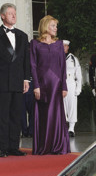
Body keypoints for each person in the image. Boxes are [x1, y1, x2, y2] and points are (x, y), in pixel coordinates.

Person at [0, 3, 30, 158]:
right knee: (1, 115)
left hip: (18, 81)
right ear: (2, 16)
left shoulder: (23, 36)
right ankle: (3, 147)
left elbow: (26, 60)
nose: (14, 16)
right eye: (10, 13)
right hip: (1, 82)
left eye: (15, 13)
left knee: (16, 115)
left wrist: (26, 79)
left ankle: (13, 146)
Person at [30, 15, 70, 155]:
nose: (55, 28)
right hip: (41, 84)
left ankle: (57, 146)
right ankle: (43, 146)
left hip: (56, 83)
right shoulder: (34, 44)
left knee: (56, 114)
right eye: (53, 25)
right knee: (42, 114)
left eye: (56, 26)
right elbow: (33, 66)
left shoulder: (59, 44)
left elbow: (62, 66)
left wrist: (64, 86)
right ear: (46, 26)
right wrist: (35, 85)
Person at [62, 40, 82, 137]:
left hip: (70, 83)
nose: (64, 47)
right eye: (63, 46)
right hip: (61, 84)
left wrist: (78, 88)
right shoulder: (57, 57)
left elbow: (78, 74)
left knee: (72, 106)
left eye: (66, 46)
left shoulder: (73, 58)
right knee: (62, 106)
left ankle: (71, 128)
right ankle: (63, 127)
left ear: (68, 47)